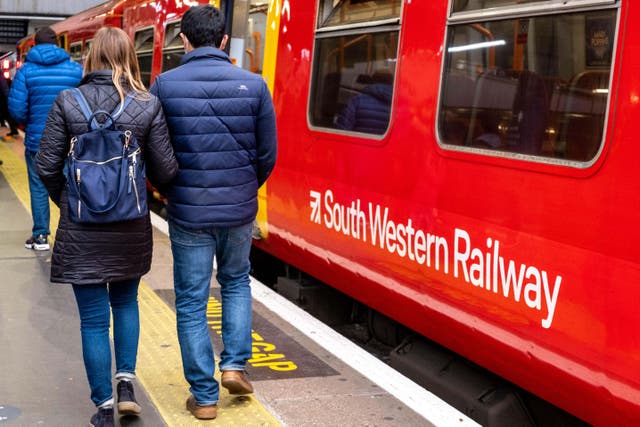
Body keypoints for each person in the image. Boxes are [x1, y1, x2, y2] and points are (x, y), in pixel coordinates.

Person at [36, 27, 178, 427]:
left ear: (91, 57)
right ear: (131, 57)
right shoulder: (147, 104)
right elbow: (166, 170)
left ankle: (102, 407)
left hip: (82, 229)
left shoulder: (68, 100)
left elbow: (45, 165)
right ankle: (126, 386)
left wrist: (71, 201)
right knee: (126, 302)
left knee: (94, 320)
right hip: (129, 225)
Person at [150, 5, 277, 420]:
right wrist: (243, 189)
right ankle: (235, 365)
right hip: (239, 208)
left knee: (190, 301)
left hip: (188, 210)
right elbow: (267, 155)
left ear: (183, 40)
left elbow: (157, 152)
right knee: (236, 282)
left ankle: (204, 397)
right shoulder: (255, 86)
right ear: (223, 40)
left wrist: (169, 190)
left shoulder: (164, 86)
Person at [8, 27, 83, 251]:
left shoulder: (26, 71)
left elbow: (17, 109)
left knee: (39, 186)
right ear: (58, 43)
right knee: (72, 186)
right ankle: (73, 235)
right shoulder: (76, 70)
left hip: (38, 140)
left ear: (34, 45)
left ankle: (41, 236)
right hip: (71, 141)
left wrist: (29, 123)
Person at [0, 73, 19, 138]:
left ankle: (14, 130)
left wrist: (8, 100)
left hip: (3, 100)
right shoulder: (1, 78)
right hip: (3, 99)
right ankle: (14, 130)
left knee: (7, 115)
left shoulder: (1, 79)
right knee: (6, 115)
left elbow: (5, 90)